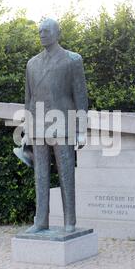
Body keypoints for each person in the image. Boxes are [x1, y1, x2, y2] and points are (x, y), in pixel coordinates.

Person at [22, 18, 88, 233]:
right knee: (40, 176)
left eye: (46, 30)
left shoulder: (72, 60)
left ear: (57, 33)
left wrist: (80, 129)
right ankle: (41, 221)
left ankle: (70, 221)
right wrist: (26, 130)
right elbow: (29, 100)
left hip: (64, 125)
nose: (42, 34)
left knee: (66, 174)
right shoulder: (31, 64)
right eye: (39, 31)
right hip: (38, 127)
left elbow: (80, 95)